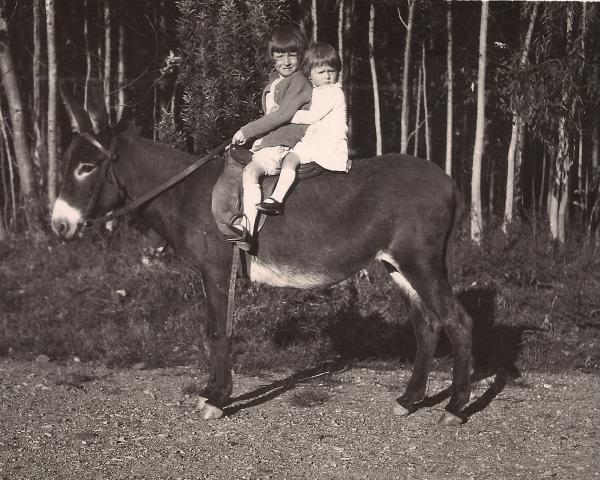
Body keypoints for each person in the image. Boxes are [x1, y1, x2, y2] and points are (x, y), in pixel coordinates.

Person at [228, 24, 312, 248]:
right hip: (269, 143)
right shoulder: (273, 83)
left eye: (292, 54)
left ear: (301, 56)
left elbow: (283, 116)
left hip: (284, 143)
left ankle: (248, 229)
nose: (286, 61)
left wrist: (246, 131)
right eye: (280, 55)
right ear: (271, 56)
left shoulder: (299, 81)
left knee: (251, 171)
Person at [256, 42, 349, 216]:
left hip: (328, 142)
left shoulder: (333, 92)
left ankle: (277, 197)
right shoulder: (316, 91)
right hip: (314, 140)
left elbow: (311, 116)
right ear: (310, 74)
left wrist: (286, 113)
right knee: (290, 158)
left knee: (291, 158)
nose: (327, 76)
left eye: (332, 71)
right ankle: (277, 197)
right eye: (321, 72)